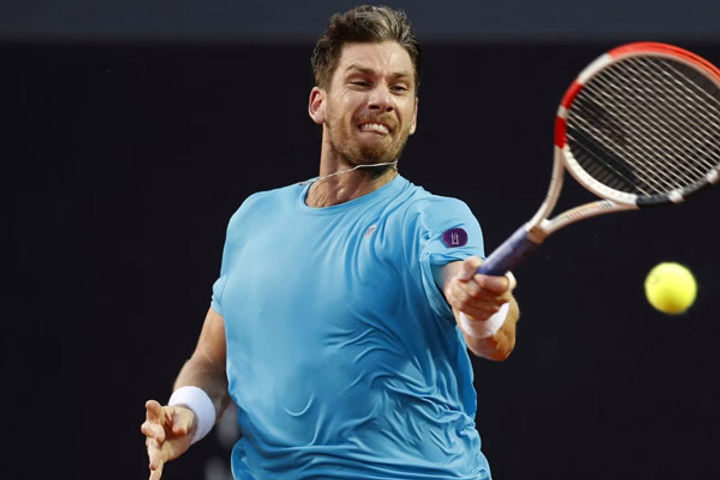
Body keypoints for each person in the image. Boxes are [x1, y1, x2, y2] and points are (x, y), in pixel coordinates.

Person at [141, 5, 520, 480]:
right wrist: (186, 414)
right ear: (318, 103)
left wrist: (483, 309)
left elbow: (490, 334)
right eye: (361, 82)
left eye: (399, 88)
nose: (382, 99)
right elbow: (212, 362)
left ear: (413, 115)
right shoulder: (254, 219)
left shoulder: (434, 218)